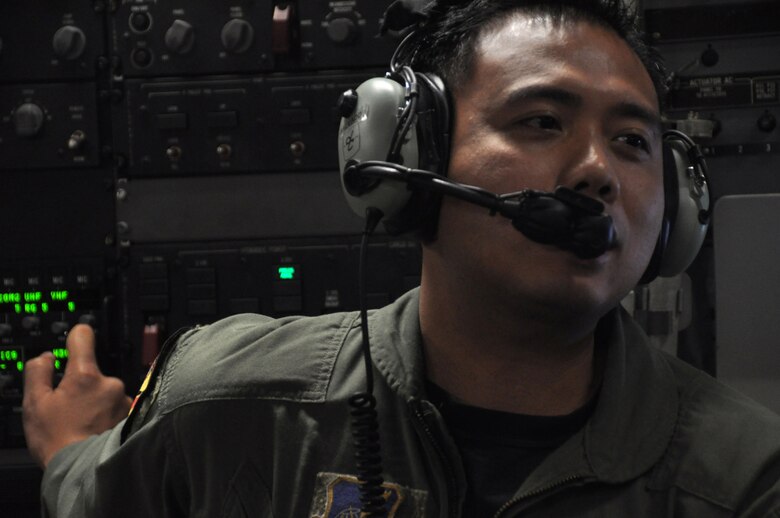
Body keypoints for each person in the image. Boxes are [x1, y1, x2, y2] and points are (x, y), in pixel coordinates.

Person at [23, 0, 780, 516]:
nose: (598, 172)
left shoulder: (745, 477)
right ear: (401, 158)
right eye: (543, 120)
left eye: (632, 141)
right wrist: (72, 452)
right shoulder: (222, 403)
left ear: (676, 210)